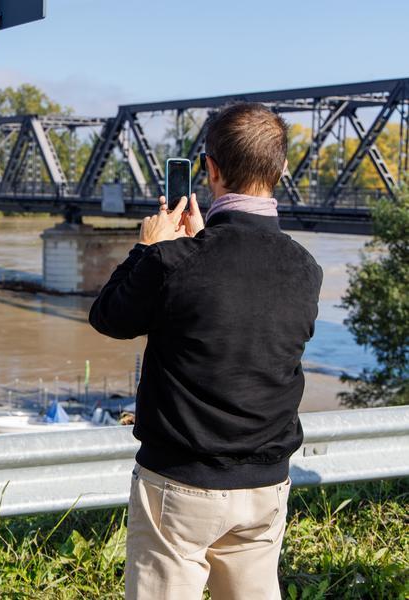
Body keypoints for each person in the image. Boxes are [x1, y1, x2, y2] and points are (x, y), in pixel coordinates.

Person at [89, 103, 322, 599]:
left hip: (181, 485)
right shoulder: (306, 269)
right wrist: (197, 246)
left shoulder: (174, 260)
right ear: (281, 170)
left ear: (211, 171)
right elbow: (242, 330)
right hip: (266, 486)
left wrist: (149, 249)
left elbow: (108, 317)